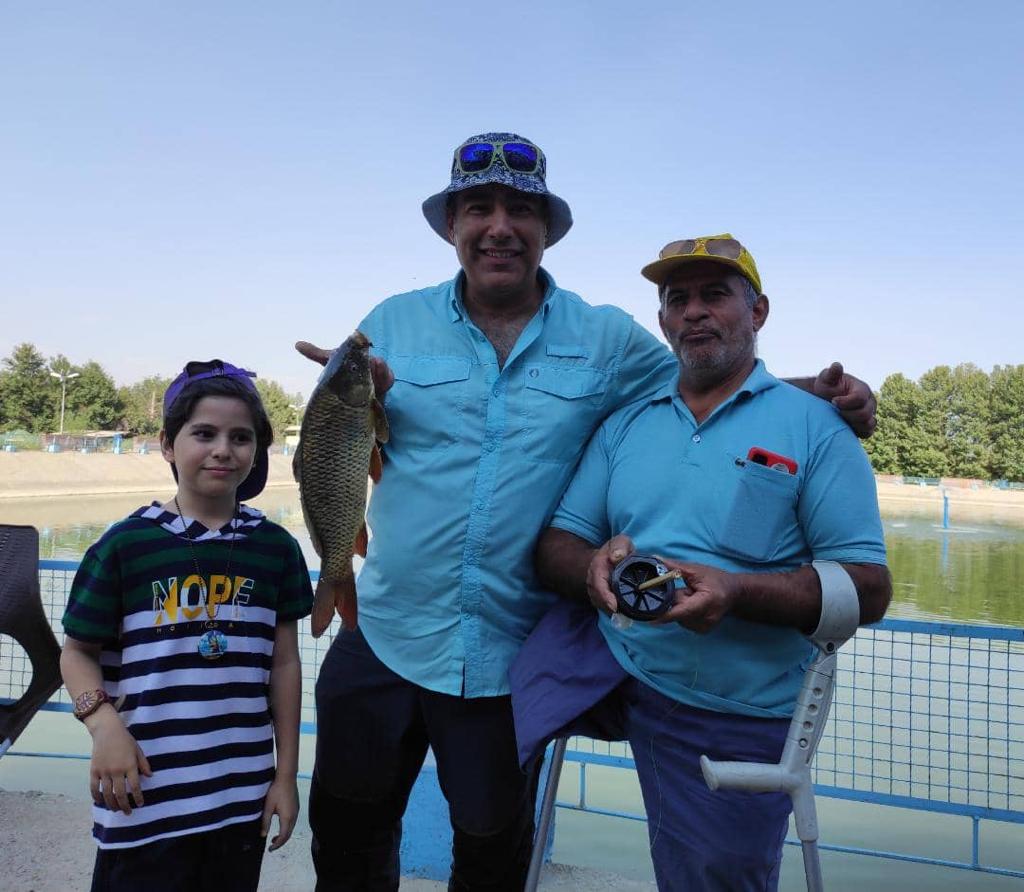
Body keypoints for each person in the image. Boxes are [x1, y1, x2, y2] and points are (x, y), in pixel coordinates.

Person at [297, 134, 879, 892]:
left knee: (492, 850)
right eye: (479, 209)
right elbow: (340, 435)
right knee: (347, 838)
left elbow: (707, 374)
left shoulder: (605, 338)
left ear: (547, 230)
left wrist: (824, 396)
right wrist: (345, 400)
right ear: (452, 228)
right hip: (382, 629)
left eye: (520, 210)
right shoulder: (391, 323)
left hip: (503, 655)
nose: (499, 227)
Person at [518, 234, 892, 891]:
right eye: (677, 299)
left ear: (758, 311)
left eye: (714, 295)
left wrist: (735, 592)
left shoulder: (817, 427)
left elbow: (869, 591)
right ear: (662, 319)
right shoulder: (627, 422)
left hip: (732, 708)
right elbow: (558, 542)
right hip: (607, 666)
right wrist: (592, 568)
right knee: (485, 748)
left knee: (715, 879)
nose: (693, 311)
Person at [60, 359, 314, 892]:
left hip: (239, 799)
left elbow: (285, 664)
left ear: (257, 450)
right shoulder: (125, 545)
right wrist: (103, 726)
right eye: (204, 433)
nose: (223, 449)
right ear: (168, 445)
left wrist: (285, 776)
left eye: (241, 437)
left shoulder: (276, 549)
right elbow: (77, 652)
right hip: (143, 796)